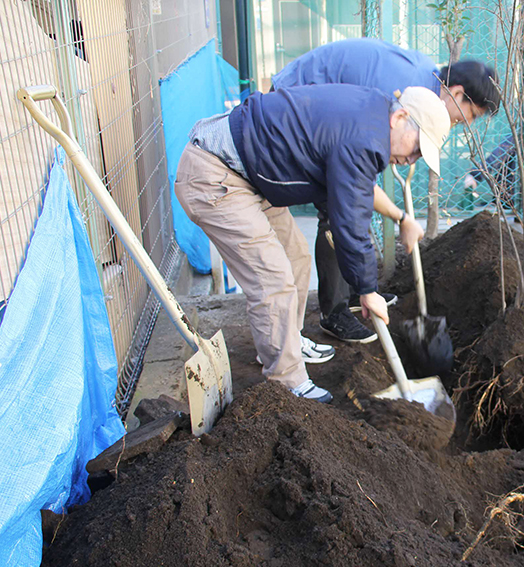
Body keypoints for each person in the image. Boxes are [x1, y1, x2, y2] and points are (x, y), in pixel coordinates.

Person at [175, 85, 450, 404]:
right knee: (272, 279)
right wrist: (367, 290)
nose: (410, 160)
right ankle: (286, 382)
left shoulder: (369, 119)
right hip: (217, 175)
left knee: (296, 258)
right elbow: (350, 219)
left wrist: (401, 218)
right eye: (416, 149)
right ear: (400, 117)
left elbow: (359, 189)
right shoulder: (364, 137)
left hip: (253, 174)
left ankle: (287, 341)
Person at [273, 39, 500, 343]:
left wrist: (399, 216)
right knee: (339, 207)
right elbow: (356, 169)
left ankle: (355, 292)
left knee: (355, 202)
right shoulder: (402, 90)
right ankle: (335, 313)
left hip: (321, 111)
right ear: (458, 94)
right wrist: (397, 215)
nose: (465, 124)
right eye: (471, 115)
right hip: (296, 104)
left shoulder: (426, 85)